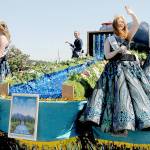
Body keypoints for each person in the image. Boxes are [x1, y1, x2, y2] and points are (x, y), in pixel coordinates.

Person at [78, 5, 150, 138]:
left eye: (123, 22)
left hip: (131, 69)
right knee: (120, 96)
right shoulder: (109, 39)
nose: (122, 24)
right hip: (115, 69)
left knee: (138, 94)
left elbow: (136, 24)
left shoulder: (128, 36)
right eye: (119, 22)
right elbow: (107, 56)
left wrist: (131, 13)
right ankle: (120, 127)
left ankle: (143, 121)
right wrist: (117, 50)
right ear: (115, 25)